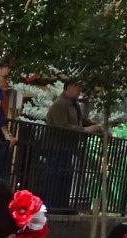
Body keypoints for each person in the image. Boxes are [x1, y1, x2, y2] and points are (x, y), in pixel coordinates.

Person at [41, 80, 100, 211]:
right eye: (77, 88)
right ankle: (52, 206)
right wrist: (84, 130)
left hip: (67, 148)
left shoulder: (74, 104)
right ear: (68, 88)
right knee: (55, 177)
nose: (79, 91)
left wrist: (97, 128)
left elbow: (82, 120)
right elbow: (61, 126)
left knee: (65, 177)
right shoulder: (59, 104)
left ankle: (62, 206)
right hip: (56, 147)